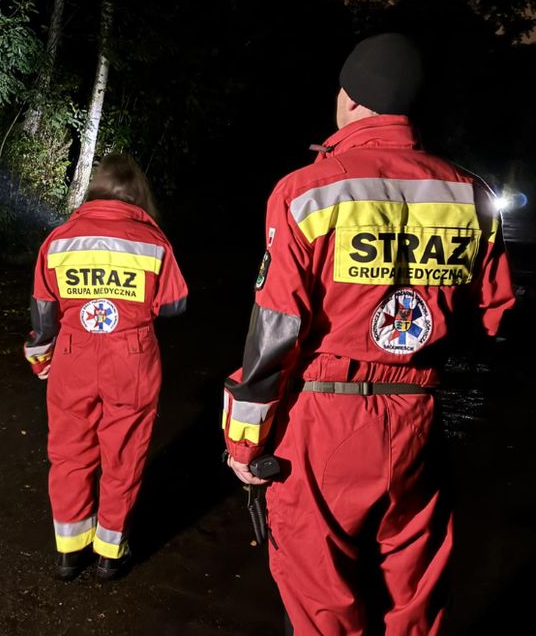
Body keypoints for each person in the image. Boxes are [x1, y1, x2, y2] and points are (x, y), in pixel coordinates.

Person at [220, 33, 515, 634]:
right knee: (416, 595)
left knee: (323, 599)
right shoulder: (472, 195)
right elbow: (496, 316)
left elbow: (276, 332)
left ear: (351, 100)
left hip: (324, 419)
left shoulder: (306, 191)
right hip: (418, 422)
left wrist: (245, 443)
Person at [23, 153, 188, 581]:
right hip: (130, 358)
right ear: (137, 197)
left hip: (74, 355)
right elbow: (174, 305)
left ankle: (69, 551)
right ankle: (111, 554)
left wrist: (41, 356)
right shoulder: (153, 243)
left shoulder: (59, 239)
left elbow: (43, 314)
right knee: (124, 454)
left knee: (69, 454)